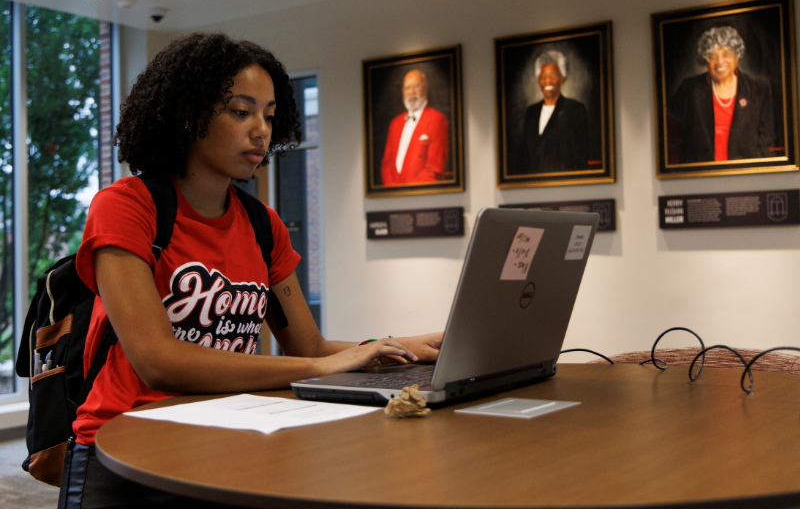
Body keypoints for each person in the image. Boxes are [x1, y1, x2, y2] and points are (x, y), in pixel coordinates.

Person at [58, 33, 442, 509]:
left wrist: (404, 347)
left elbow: (311, 346)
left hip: (225, 438)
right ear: (188, 116)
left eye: (269, 114)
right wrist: (318, 367)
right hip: (126, 452)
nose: (261, 130)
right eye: (241, 111)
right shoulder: (125, 208)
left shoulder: (264, 226)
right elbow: (156, 361)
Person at [668, 26, 775, 163]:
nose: (720, 62)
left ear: (737, 57)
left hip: (746, 177)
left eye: (726, 54)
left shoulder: (758, 89)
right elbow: (671, 132)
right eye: (713, 56)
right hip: (701, 177)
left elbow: (767, 142)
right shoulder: (689, 89)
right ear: (706, 60)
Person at [514, 50, 589, 175]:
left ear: (562, 79)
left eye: (553, 76)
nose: (548, 81)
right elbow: (524, 156)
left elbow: (581, 156)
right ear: (539, 81)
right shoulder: (530, 112)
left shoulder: (575, 109)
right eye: (543, 77)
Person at [380, 68, 449, 185]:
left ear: (425, 88)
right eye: (407, 87)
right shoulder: (395, 123)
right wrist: (392, 192)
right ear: (403, 91)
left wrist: (407, 193)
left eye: (416, 86)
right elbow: (386, 165)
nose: (411, 91)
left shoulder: (437, 119)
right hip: (394, 198)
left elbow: (434, 169)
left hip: (422, 197)